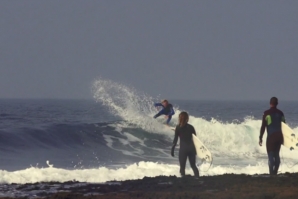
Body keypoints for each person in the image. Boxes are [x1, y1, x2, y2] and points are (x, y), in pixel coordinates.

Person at [259, 97, 285, 175]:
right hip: (279, 137)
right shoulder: (281, 113)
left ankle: (271, 174)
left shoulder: (266, 113)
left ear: (270, 103)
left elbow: (263, 126)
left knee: (271, 154)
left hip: (271, 137)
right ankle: (275, 172)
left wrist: (260, 137)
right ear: (277, 104)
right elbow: (285, 126)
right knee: (276, 154)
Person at [171, 111, 199, 178]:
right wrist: (196, 150)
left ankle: (183, 180)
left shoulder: (178, 127)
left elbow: (175, 139)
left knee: (182, 167)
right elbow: (195, 139)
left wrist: (172, 148)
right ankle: (198, 178)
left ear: (179, 118)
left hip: (183, 149)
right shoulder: (191, 127)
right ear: (187, 118)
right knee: (193, 165)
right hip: (191, 149)